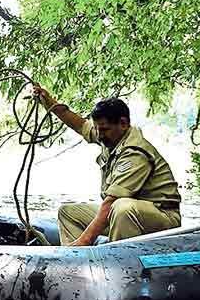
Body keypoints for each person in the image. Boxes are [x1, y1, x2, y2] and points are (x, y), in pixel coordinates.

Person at [33, 86, 182, 245]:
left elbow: (110, 203)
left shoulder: (135, 152)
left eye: (103, 130)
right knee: (69, 212)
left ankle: (120, 260)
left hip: (162, 218)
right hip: (123, 212)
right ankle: (76, 262)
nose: (99, 135)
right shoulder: (111, 135)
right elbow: (80, 125)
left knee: (121, 208)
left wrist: (83, 241)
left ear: (123, 123)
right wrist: (48, 102)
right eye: (97, 129)